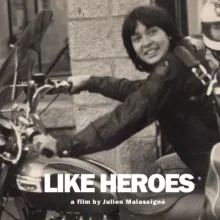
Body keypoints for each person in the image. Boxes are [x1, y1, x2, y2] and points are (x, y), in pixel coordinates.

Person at [34, 5, 218, 183]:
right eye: (137, 38)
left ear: (168, 32)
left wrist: (63, 146)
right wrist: (89, 81)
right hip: (212, 157)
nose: (146, 43)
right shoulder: (182, 54)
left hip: (215, 172)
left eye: (152, 31)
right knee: (162, 167)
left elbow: (129, 115)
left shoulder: (170, 69)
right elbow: (142, 91)